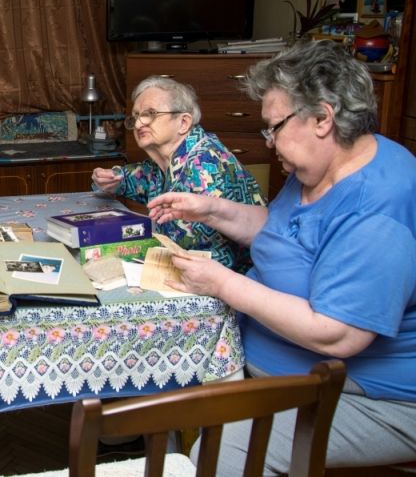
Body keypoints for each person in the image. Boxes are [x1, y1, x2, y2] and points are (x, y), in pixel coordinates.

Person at [148, 40, 416, 474]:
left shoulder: (379, 209)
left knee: (221, 454)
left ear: (322, 119)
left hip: (370, 397)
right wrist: (211, 208)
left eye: (273, 127)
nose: (269, 142)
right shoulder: (320, 166)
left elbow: (336, 335)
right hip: (277, 366)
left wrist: (224, 284)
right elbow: (280, 233)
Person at [91, 75, 266, 273]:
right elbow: (134, 177)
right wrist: (110, 178)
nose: (139, 124)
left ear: (183, 122)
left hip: (240, 281)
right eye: (136, 116)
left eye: (150, 114)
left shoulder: (204, 166)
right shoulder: (169, 160)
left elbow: (213, 261)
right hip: (191, 270)